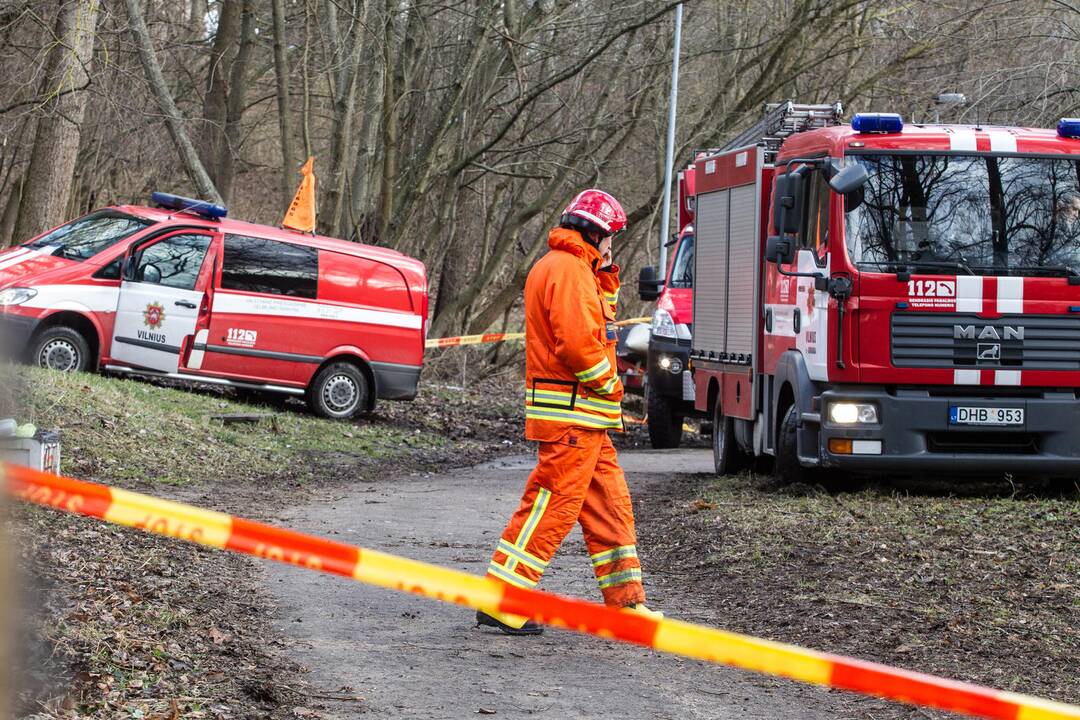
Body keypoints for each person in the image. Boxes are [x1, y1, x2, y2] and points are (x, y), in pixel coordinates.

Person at [476, 189, 661, 636]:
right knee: (551, 508)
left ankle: (626, 603)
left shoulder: (570, 268)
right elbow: (579, 346)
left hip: (586, 422)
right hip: (574, 418)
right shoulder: (569, 270)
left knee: (610, 509)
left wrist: (607, 276)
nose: (613, 246)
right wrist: (613, 384)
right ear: (595, 233)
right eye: (612, 237)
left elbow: (589, 327)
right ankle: (504, 599)